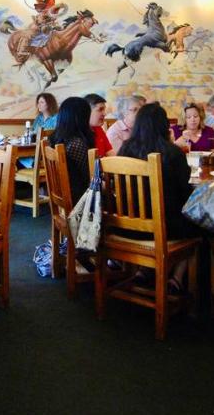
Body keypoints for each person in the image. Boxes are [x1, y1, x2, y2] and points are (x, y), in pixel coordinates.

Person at [118, 103, 198, 292]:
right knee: (197, 226)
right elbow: (186, 195)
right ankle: (177, 278)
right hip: (163, 229)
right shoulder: (172, 153)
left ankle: (145, 270)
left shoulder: (125, 149)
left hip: (126, 227)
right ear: (164, 126)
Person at [48, 97, 95, 204]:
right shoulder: (76, 143)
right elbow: (88, 176)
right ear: (82, 117)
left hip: (62, 193)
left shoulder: (54, 138)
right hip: (80, 198)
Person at [84, 93, 113, 158]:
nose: (104, 114)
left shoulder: (98, 129)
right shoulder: (80, 136)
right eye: (100, 109)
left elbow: (111, 154)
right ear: (87, 112)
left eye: (104, 109)